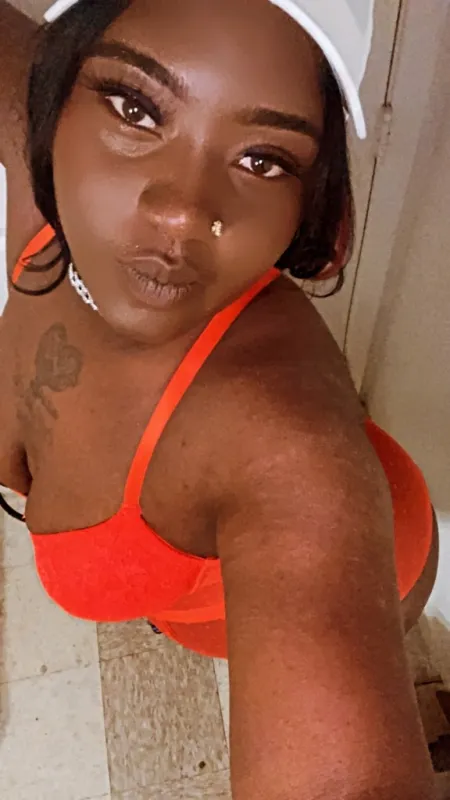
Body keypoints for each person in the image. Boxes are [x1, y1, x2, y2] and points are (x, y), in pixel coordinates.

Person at [0, 1, 439, 797]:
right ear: (53, 91)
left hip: (388, 565)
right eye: (136, 109)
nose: (182, 211)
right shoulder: (35, 156)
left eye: (264, 159)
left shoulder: (284, 452)